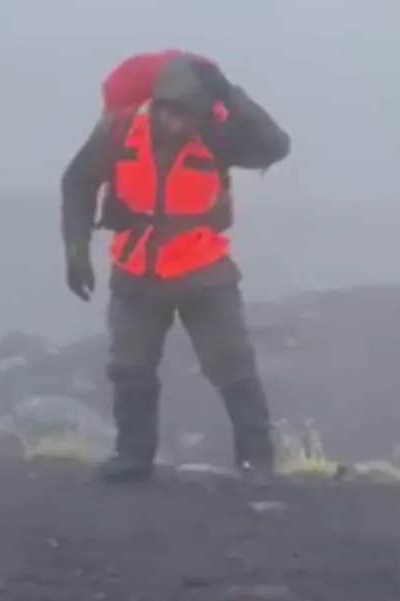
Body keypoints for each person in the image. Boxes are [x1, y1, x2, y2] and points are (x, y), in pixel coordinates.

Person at [59, 55, 290, 483]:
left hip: (204, 272)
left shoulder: (219, 134)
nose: (175, 122)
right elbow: (78, 182)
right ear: (155, 102)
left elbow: (276, 146)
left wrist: (230, 93)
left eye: (185, 113)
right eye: (167, 110)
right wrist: (76, 250)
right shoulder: (120, 127)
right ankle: (132, 457)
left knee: (232, 364)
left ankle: (257, 461)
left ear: (201, 109)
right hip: (136, 269)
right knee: (130, 366)